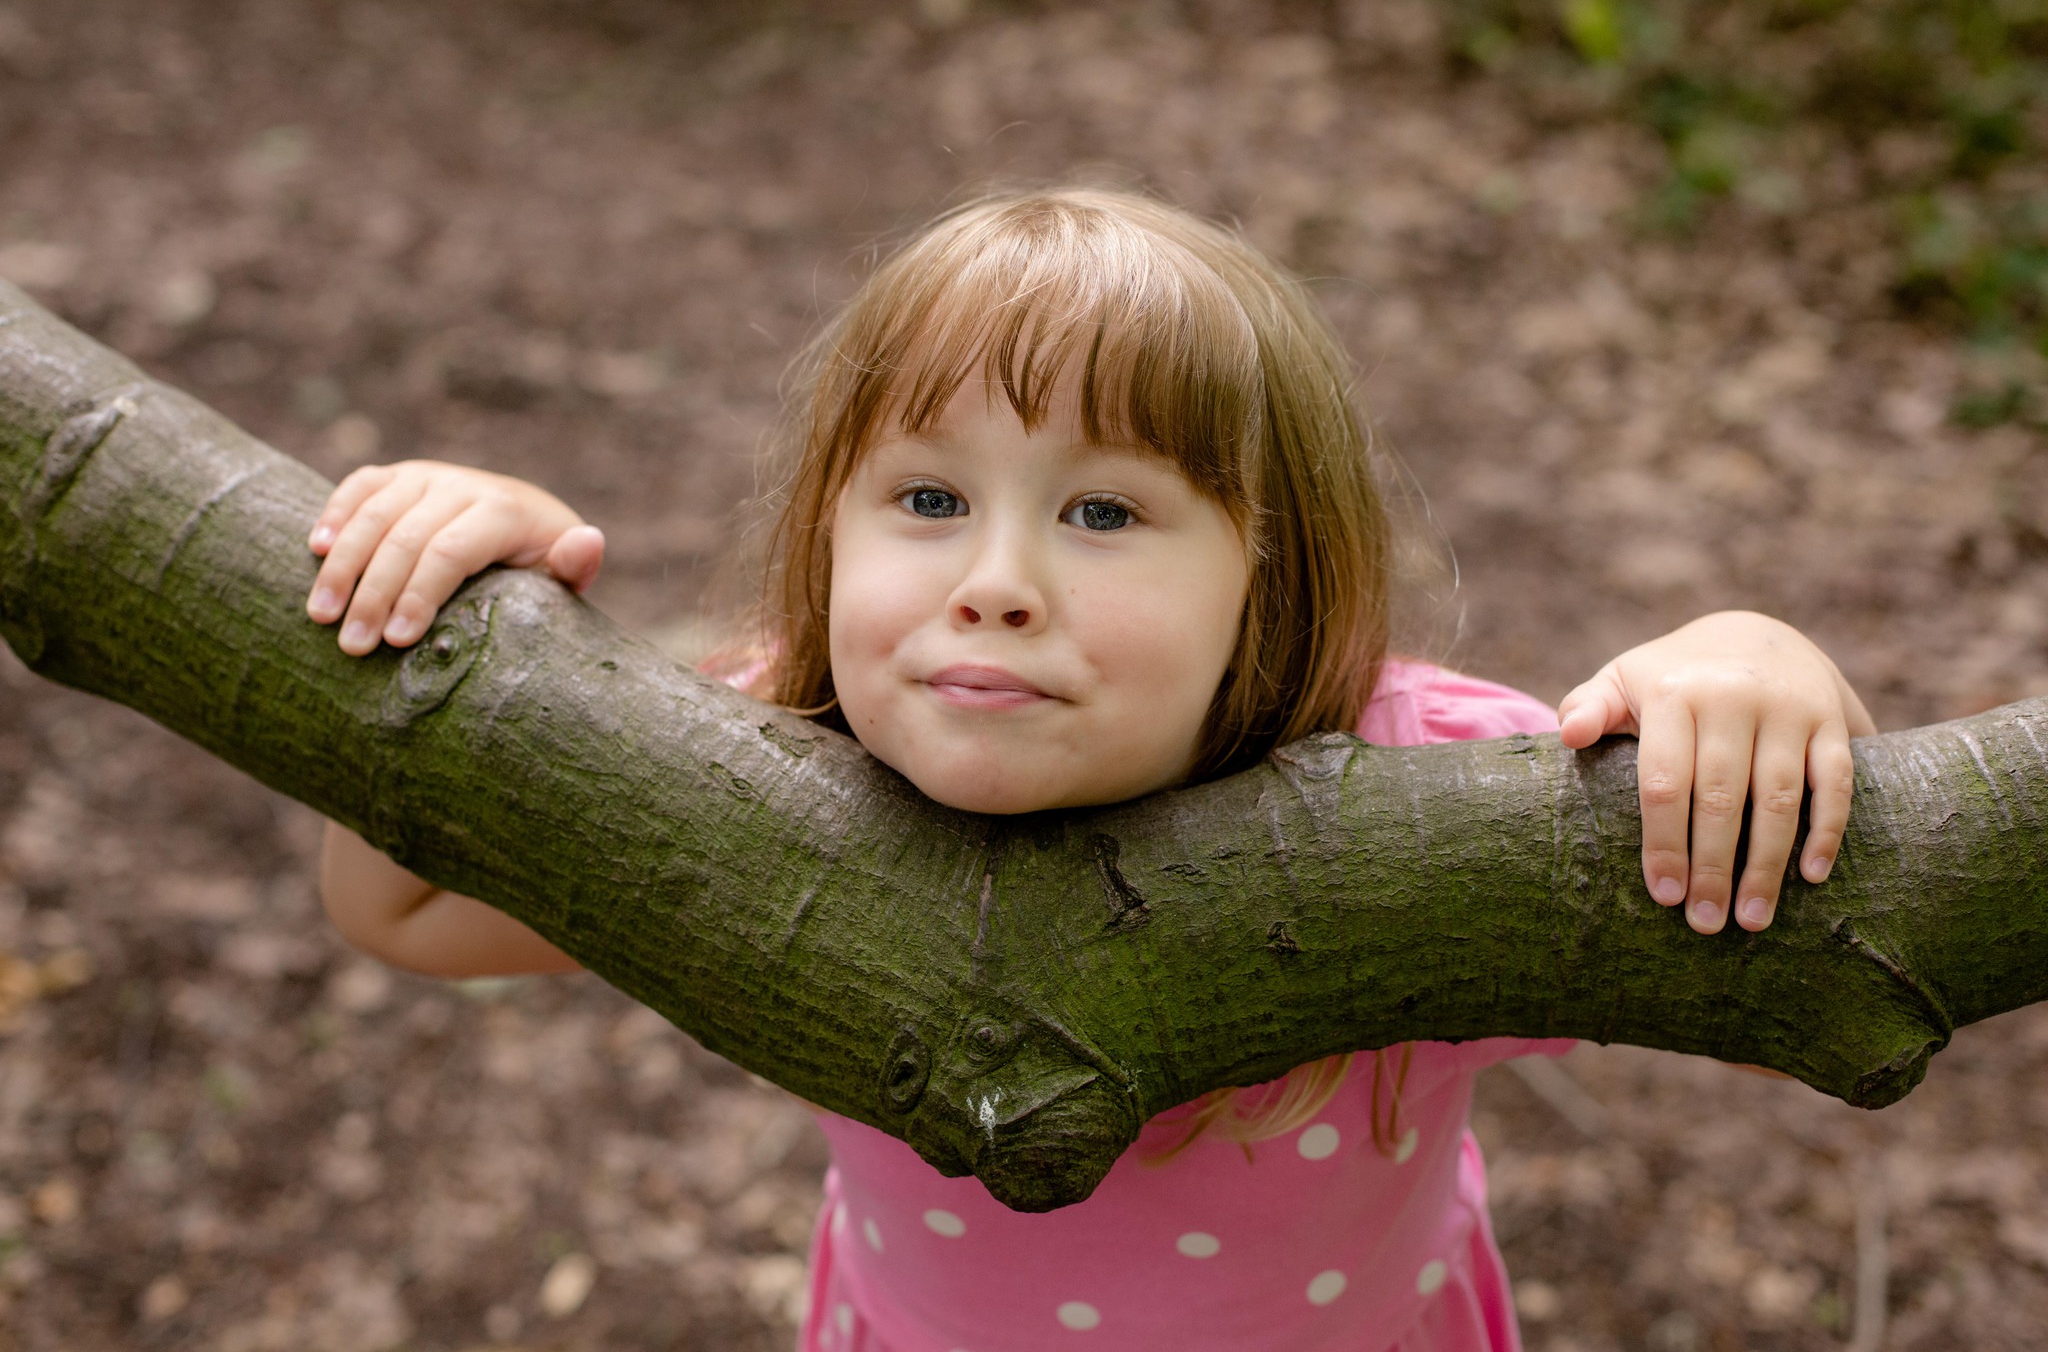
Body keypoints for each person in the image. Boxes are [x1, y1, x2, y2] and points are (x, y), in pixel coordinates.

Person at [305, 189, 1874, 1351]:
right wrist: (450, 619)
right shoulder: (766, 759)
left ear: (1270, 578)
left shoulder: (1426, 786)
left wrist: (1750, 680)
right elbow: (416, 914)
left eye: (1104, 513)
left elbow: (1781, 986)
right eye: (926, 496)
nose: (995, 580)